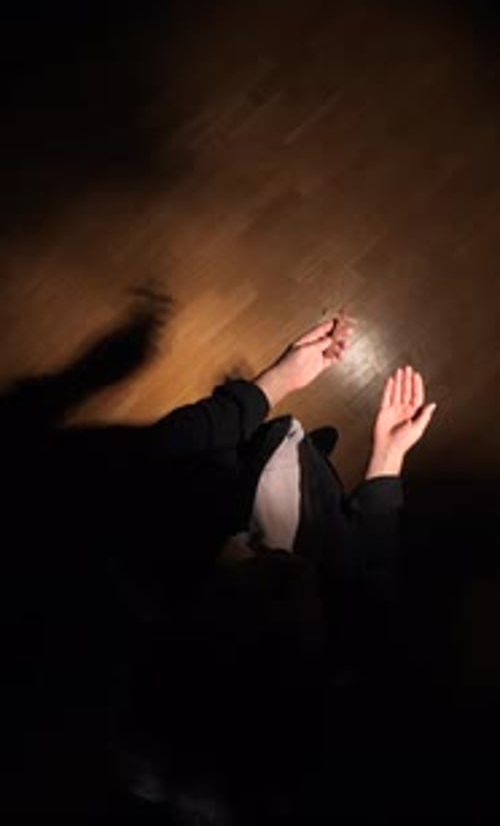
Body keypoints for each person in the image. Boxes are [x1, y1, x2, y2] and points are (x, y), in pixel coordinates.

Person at [109, 310, 438, 823]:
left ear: (195, 617)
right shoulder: (354, 642)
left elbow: (174, 443)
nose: (299, 573)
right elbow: (372, 566)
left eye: (260, 594)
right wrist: (386, 460)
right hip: (305, 480)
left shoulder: (157, 536)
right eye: (305, 617)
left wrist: (277, 381)